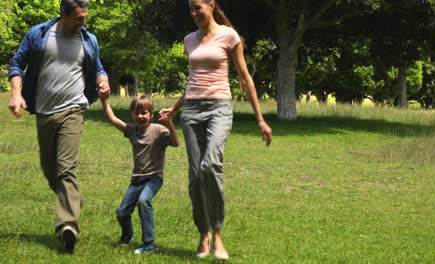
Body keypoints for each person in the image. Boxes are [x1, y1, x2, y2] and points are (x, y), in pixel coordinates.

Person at [159, 0, 272, 260]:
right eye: (190, 9)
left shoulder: (229, 36)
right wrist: (176, 108)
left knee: (210, 165)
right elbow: (193, 79)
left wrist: (260, 119)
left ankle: (218, 232)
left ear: (211, 6)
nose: (194, 13)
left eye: (198, 7)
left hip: (219, 108)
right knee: (196, 177)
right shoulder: (189, 40)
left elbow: (245, 78)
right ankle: (203, 234)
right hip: (191, 112)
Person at [7, 0, 109, 253]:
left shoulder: (89, 39)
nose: (83, 23)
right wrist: (16, 94)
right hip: (43, 111)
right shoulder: (39, 34)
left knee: (65, 169)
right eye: (78, 19)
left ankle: (68, 226)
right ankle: (72, 198)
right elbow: (17, 65)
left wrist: (103, 81)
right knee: (49, 170)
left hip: (73, 109)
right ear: (63, 15)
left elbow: (99, 68)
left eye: (85, 18)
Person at [99, 89, 180, 254]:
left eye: (144, 113)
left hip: (154, 178)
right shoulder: (131, 131)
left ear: (151, 114)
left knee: (144, 201)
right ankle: (126, 237)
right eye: (137, 113)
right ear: (132, 114)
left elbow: (176, 142)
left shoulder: (158, 130)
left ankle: (149, 243)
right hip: (136, 180)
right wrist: (104, 101)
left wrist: (169, 123)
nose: (140, 116)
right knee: (122, 213)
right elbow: (113, 119)